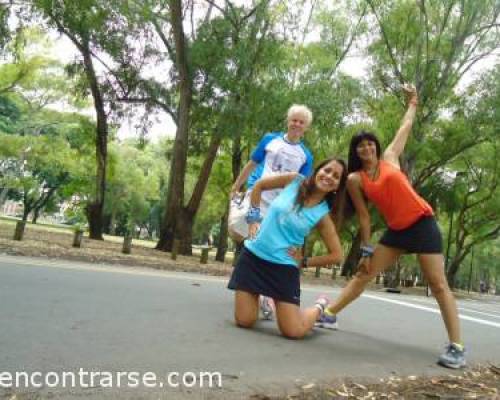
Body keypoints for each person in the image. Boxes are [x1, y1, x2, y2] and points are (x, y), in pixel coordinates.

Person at [318, 85, 466, 369]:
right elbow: (364, 217)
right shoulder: (354, 179)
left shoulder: (390, 158)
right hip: (397, 232)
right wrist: (365, 249)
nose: (366, 147)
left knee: (438, 284)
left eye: (369, 142)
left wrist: (413, 101)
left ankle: (457, 346)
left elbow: (406, 126)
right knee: (364, 273)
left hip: (423, 225)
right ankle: (330, 314)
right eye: (360, 145)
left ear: (375, 145)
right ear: (356, 151)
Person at [227, 158, 347, 339]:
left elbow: (337, 255)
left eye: (336, 176)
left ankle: (320, 307)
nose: (329, 176)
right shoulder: (294, 180)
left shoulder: (323, 214)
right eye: (327, 170)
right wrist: (252, 220)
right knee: (244, 321)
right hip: (253, 257)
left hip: (283, 268)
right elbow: (259, 186)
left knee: (294, 331)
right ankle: (264, 299)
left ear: (337, 186)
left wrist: (304, 261)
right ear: (318, 170)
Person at [229, 104, 314, 319]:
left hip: (277, 209)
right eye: (294, 120)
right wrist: (237, 185)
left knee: (260, 243)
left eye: (301, 122)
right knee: (239, 233)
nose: (296, 124)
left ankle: (261, 294)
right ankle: (251, 285)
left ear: (306, 127)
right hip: (256, 197)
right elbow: (252, 163)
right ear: (288, 120)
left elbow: (301, 188)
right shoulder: (270, 140)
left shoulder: (306, 156)